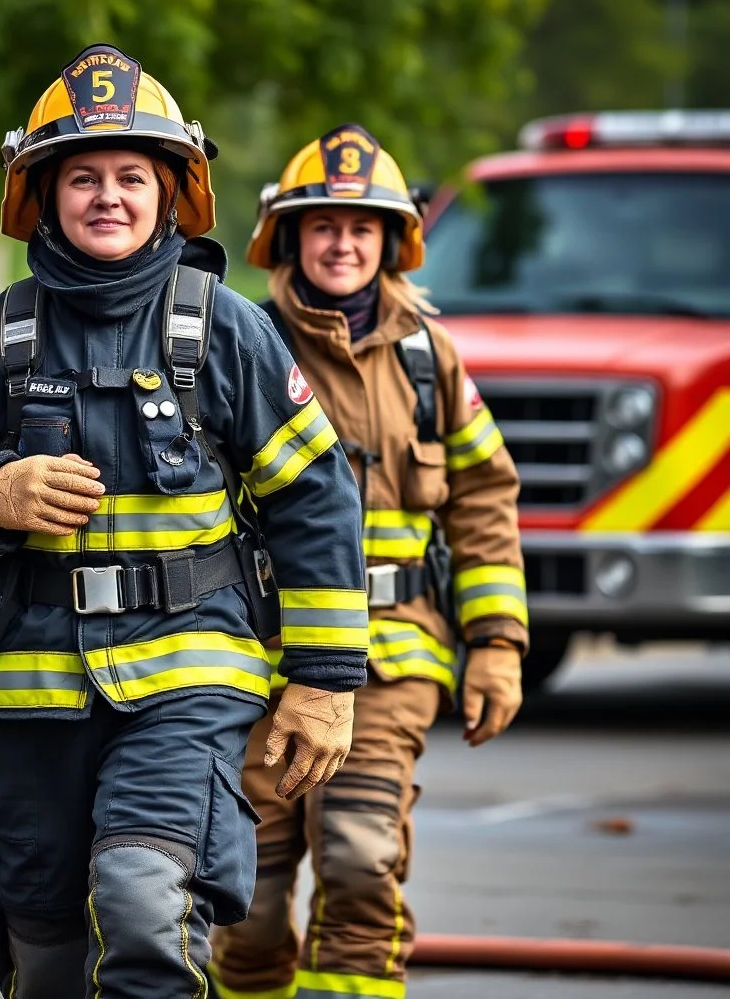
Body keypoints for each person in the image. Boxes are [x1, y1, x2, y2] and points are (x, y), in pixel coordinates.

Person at [0, 48, 371, 999]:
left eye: (132, 177)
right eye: (85, 176)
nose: (109, 196)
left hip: (189, 684)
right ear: (45, 194)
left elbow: (316, 499)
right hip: (31, 697)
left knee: (145, 901)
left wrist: (322, 683)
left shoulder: (223, 328)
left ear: (172, 193)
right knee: (45, 946)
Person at [209, 124, 529, 999]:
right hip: (258, 662)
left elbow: (484, 497)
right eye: (324, 225)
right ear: (289, 237)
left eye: (363, 226)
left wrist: (496, 641)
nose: (343, 242)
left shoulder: (429, 357)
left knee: (357, 858)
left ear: (393, 240)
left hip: (392, 655)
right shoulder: (241, 344)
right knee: (250, 891)